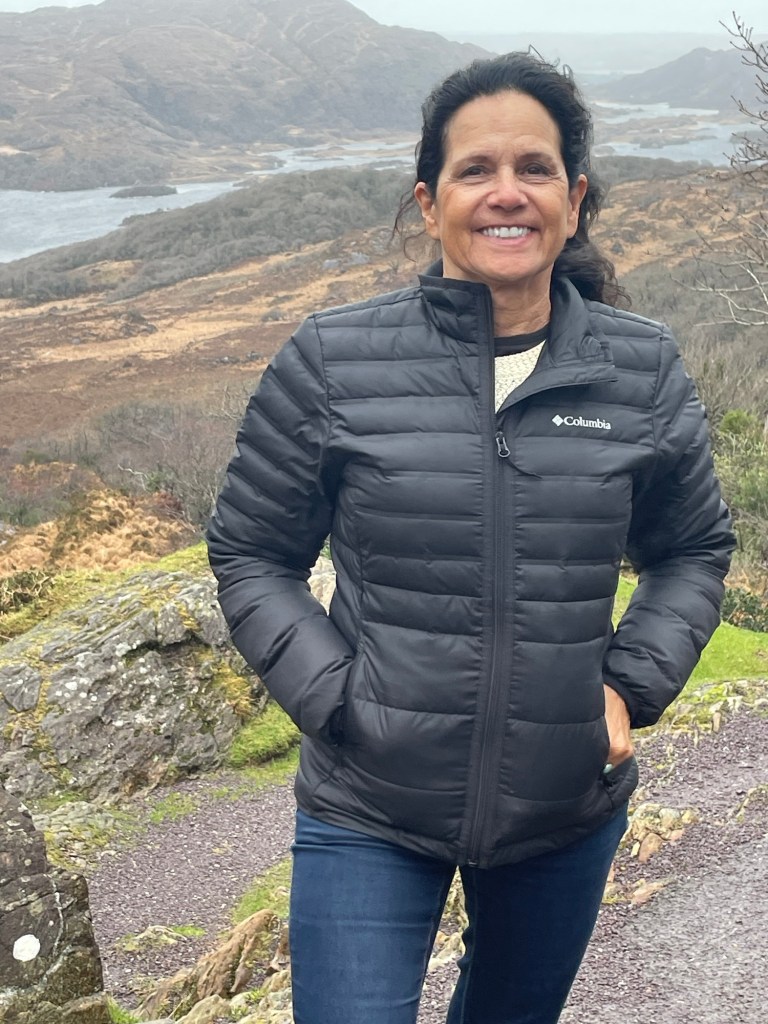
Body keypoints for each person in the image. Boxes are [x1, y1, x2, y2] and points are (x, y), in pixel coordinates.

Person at [207, 52, 734, 1024]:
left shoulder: (641, 369)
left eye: (535, 168)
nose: (507, 192)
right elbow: (251, 553)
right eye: (475, 169)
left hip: (563, 808)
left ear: (574, 199)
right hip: (369, 804)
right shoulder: (333, 360)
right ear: (429, 201)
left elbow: (693, 550)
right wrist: (338, 700)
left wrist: (628, 688)